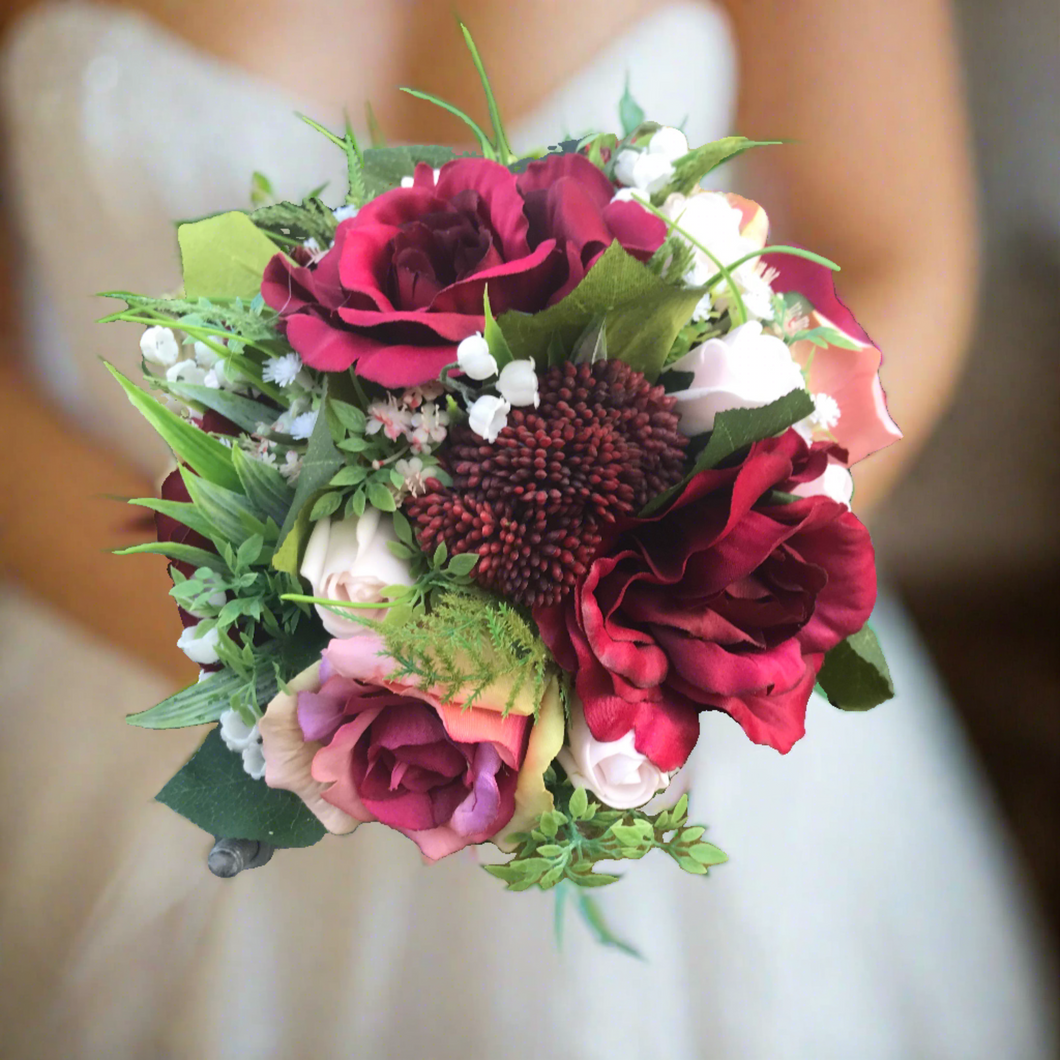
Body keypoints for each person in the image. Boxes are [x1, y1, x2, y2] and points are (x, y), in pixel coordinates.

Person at [0, 1, 1054, 1056]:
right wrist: (319, 670)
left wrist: (674, 601)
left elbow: (897, 257)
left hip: (662, 712)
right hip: (134, 658)